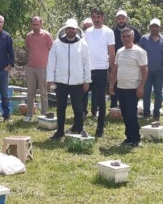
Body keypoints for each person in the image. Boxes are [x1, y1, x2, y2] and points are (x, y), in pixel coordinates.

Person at [46, 18, 91, 140]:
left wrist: (87, 80)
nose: (70, 31)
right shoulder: (57, 43)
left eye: (73, 28)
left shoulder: (83, 44)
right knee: (61, 107)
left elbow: (86, 63)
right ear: (65, 29)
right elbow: (51, 62)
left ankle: (79, 130)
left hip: (77, 81)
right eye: (68, 28)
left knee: (78, 107)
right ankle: (60, 131)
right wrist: (50, 79)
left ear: (76, 30)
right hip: (60, 82)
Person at [109, 28, 148, 147]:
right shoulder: (120, 51)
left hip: (133, 88)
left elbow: (145, 70)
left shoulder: (139, 52)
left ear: (133, 37)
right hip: (121, 87)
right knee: (125, 113)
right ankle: (129, 137)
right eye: (123, 37)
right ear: (121, 38)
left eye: (128, 36)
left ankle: (136, 138)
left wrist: (141, 87)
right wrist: (111, 85)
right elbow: (115, 69)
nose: (126, 39)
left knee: (131, 113)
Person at [83, 8, 115, 138]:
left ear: (103, 18)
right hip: (87, 70)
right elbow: (83, 51)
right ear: (91, 18)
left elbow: (111, 52)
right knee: (81, 97)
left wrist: (112, 71)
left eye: (98, 17)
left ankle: (100, 128)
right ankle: (79, 126)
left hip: (102, 70)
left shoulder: (108, 32)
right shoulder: (87, 32)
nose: (96, 20)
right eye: (94, 17)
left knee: (101, 100)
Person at [138, 18, 163, 121]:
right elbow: (139, 53)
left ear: (160, 28)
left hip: (159, 71)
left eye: (156, 26)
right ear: (150, 27)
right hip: (146, 71)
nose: (154, 28)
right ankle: (146, 113)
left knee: (158, 93)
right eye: (152, 26)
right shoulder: (144, 39)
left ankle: (157, 113)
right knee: (146, 93)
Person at [24, 16, 53, 122]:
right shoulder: (28, 36)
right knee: (30, 92)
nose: (35, 26)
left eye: (37, 24)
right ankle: (29, 114)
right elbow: (27, 49)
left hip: (43, 67)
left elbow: (52, 50)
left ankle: (44, 115)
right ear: (31, 25)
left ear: (41, 24)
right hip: (30, 67)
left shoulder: (46, 35)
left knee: (43, 92)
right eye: (33, 24)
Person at [110, 10, 141, 108]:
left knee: (129, 83)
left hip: (130, 62)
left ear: (126, 19)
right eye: (119, 18)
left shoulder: (133, 30)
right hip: (115, 60)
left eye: (123, 18)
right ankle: (114, 105)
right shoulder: (112, 31)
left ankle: (130, 105)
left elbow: (138, 44)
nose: (121, 20)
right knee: (114, 83)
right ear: (116, 19)